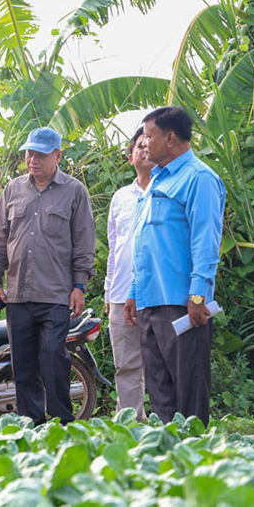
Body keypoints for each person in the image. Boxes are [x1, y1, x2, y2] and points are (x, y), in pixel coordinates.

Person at [124, 106, 226, 426]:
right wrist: (133, 292)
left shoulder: (199, 179)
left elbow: (205, 242)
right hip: (151, 302)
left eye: (148, 136)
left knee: (189, 391)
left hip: (182, 304)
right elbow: (145, 243)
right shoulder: (156, 180)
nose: (143, 143)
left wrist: (199, 296)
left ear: (170, 138)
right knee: (160, 392)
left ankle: (195, 461)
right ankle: (168, 460)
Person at [0, 126, 95, 426]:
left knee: (52, 358)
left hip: (56, 293)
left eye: (40, 154)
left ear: (58, 156)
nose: (32, 159)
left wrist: (79, 286)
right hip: (18, 294)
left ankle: (62, 422)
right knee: (22, 365)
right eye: (29, 153)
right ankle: (31, 424)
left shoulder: (74, 191)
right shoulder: (13, 190)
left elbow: (84, 242)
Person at [104, 128, 152, 421]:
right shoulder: (121, 197)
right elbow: (114, 247)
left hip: (160, 293)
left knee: (164, 363)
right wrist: (110, 293)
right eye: (139, 146)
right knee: (126, 364)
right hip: (122, 294)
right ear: (130, 154)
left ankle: (168, 421)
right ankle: (131, 421)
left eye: (150, 144)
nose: (146, 151)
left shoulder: (171, 189)